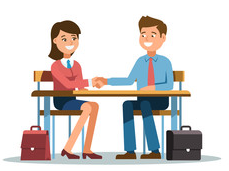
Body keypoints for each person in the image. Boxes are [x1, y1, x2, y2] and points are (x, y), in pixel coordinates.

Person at [96, 16, 173, 159]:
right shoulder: (140, 62)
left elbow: (169, 85)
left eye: (152, 35)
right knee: (127, 105)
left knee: (145, 104)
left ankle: (155, 150)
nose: (147, 38)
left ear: (163, 38)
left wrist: (152, 88)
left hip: (160, 100)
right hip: (143, 99)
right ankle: (130, 151)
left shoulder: (165, 62)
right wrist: (106, 81)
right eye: (143, 35)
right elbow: (129, 80)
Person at [49, 20, 102, 159]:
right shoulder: (55, 66)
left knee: (94, 106)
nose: (70, 42)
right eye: (64, 39)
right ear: (55, 41)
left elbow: (80, 86)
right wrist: (91, 81)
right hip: (61, 101)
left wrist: (88, 87)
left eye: (74, 38)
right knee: (88, 108)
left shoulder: (76, 65)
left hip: (73, 99)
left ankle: (87, 149)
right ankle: (68, 148)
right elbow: (66, 84)